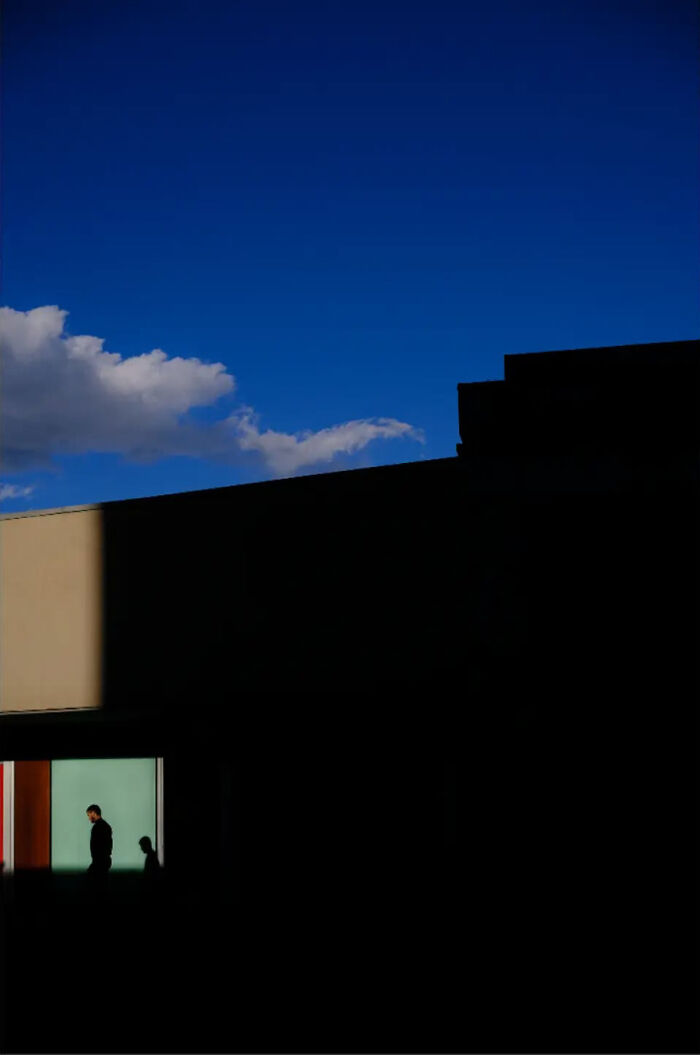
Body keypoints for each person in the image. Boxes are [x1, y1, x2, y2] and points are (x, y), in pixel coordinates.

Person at [86, 804, 112, 886]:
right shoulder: (106, 826)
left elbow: (96, 848)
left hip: (99, 862)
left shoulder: (97, 827)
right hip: (104, 861)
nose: (88, 818)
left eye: (89, 815)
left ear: (93, 813)